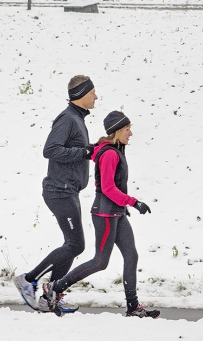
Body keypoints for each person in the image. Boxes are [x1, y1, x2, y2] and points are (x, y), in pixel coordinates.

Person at [43, 111, 159, 319]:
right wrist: (134, 202)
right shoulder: (110, 154)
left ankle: (133, 307)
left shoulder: (116, 150)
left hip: (117, 212)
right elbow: (107, 188)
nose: (131, 133)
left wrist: (124, 207)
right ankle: (56, 287)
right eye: (127, 129)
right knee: (100, 261)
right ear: (117, 131)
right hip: (105, 214)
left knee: (131, 255)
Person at [14, 75, 98, 311]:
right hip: (59, 190)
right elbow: (50, 150)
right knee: (75, 245)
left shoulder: (76, 119)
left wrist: (89, 150)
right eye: (93, 93)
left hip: (69, 190)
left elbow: (75, 149)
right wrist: (83, 152)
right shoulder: (68, 119)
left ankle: (50, 297)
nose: (96, 97)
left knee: (72, 245)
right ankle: (29, 279)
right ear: (81, 94)